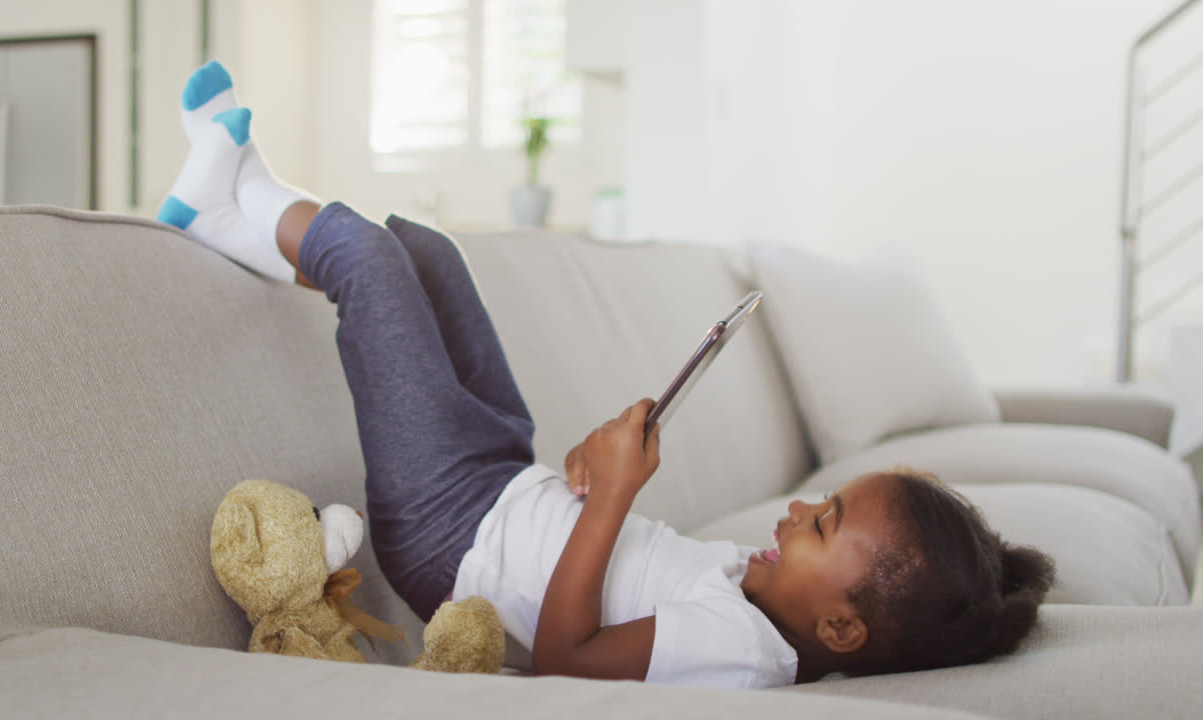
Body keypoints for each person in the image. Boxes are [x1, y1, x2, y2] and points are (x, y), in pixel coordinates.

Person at [158, 61, 1057, 688]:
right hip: (507, 481)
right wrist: (600, 474)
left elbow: (565, 660)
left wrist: (617, 498)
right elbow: (616, 558)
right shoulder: (766, 591)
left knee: (371, 264)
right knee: (428, 253)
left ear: (841, 630)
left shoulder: (742, 649)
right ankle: (243, 213)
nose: (796, 513)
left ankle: (219, 201)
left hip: (450, 537)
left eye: (822, 524)